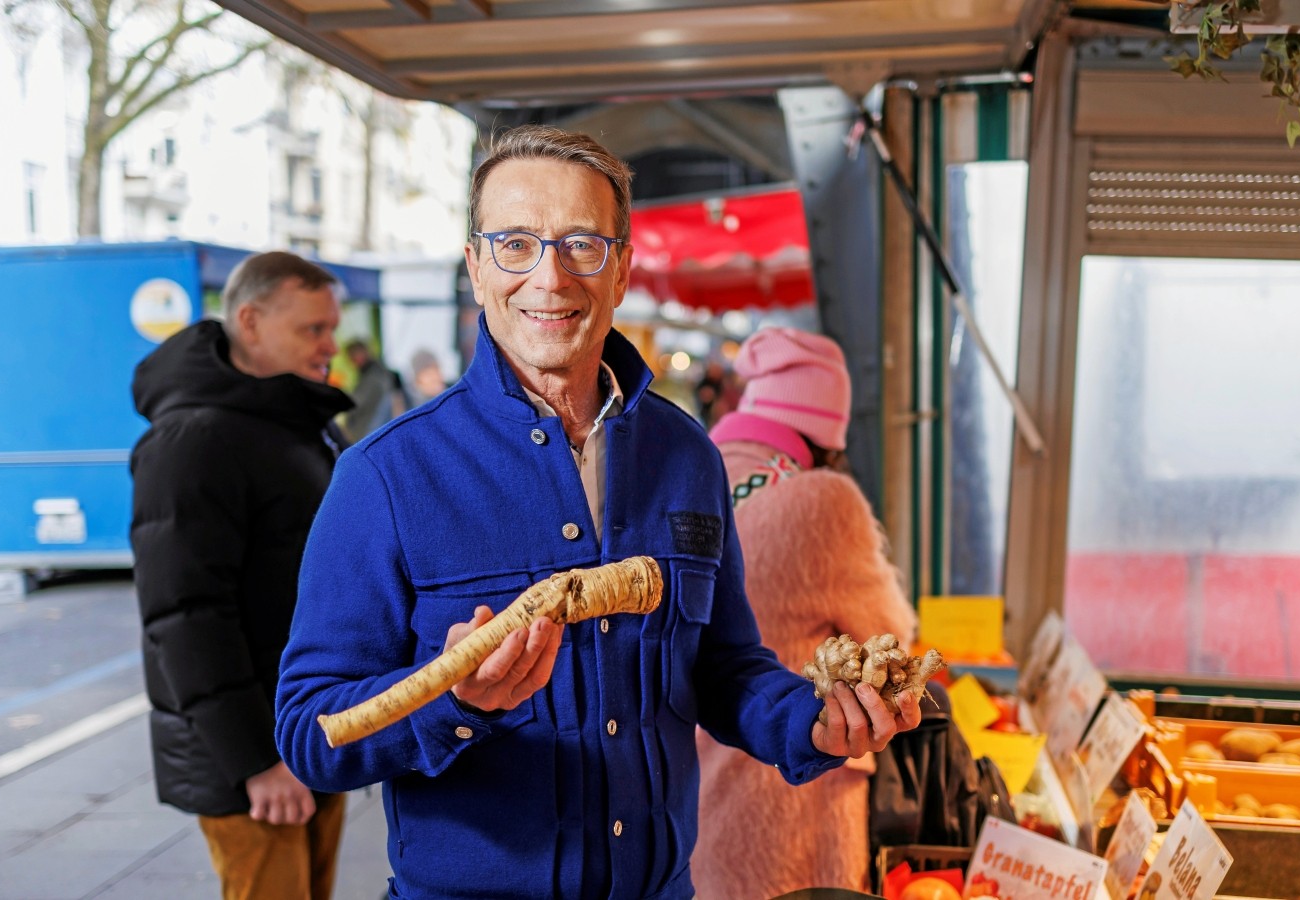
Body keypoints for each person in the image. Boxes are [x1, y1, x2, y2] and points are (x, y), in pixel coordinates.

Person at [274, 125, 922, 900]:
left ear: (621, 270)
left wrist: (809, 722)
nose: (549, 278)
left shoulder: (688, 455)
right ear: (476, 268)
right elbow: (309, 731)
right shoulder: (383, 476)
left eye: (582, 245)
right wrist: (452, 701)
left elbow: (724, 667)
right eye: (515, 245)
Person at [130, 251, 353, 900]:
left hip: (310, 730)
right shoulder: (192, 440)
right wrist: (256, 760)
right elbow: (186, 616)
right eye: (313, 329)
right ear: (250, 322)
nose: (330, 346)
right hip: (254, 758)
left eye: (331, 328)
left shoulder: (296, 423)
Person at [693, 327, 919, 898]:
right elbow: (892, 636)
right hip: (793, 807)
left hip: (692, 802)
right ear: (828, 435)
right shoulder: (821, 500)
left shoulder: (695, 477)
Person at [342, 338, 395, 441]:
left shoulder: (373, 376)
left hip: (371, 432)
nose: (352, 360)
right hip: (376, 431)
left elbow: (355, 403)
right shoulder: (378, 372)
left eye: (354, 355)